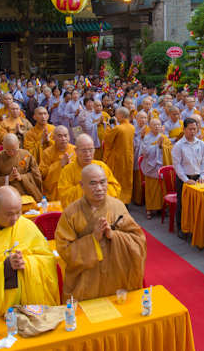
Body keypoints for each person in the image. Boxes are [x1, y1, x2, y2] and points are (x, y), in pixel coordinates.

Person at [0, 186, 59, 322]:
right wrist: (5, 267)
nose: (15, 218)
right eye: (9, 214)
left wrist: (26, 262)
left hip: (29, 305)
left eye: (18, 212)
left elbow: (47, 258)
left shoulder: (27, 226)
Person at [55, 164, 146, 302]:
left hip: (116, 275)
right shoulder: (70, 212)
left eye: (103, 182)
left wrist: (113, 235)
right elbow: (64, 249)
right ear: (82, 185)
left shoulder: (118, 206)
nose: (99, 188)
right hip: (85, 281)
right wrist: (93, 239)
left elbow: (138, 240)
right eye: (93, 184)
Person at [58, 135, 121, 208]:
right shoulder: (67, 171)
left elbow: (115, 188)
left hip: (102, 210)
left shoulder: (101, 166)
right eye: (84, 151)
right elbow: (65, 197)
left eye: (91, 150)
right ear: (76, 151)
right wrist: (87, 186)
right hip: (79, 212)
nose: (88, 154)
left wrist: (97, 189)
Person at [172, 118, 204, 239]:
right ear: (184, 129)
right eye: (190, 129)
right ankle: (181, 227)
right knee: (182, 203)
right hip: (184, 178)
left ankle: (194, 226)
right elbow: (177, 165)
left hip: (198, 178)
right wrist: (186, 180)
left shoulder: (202, 144)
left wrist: (202, 176)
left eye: (195, 129)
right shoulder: (178, 146)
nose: (193, 131)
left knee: (197, 204)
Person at [0, 133, 43, 202]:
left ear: (19, 144)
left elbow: (36, 174)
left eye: (14, 149)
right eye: (7, 150)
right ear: (3, 145)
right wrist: (8, 178)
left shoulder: (26, 155)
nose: (11, 153)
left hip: (26, 194)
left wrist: (22, 177)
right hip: (5, 196)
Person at [103, 107, 135, 205]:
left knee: (118, 179)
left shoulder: (118, 128)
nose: (115, 116)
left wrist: (108, 126)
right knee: (127, 179)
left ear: (121, 116)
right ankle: (126, 200)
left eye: (116, 114)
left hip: (119, 158)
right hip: (128, 158)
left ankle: (119, 200)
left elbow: (107, 138)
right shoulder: (131, 127)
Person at [142, 118, 173, 219]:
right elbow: (146, 153)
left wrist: (162, 146)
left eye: (158, 124)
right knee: (151, 189)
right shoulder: (147, 138)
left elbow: (170, 148)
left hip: (162, 166)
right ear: (150, 127)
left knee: (161, 188)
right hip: (151, 167)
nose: (157, 126)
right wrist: (157, 146)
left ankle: (160, 208)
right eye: (154, 124)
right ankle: (149, 209)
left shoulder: (164, 137)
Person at [40, 126, 76, 201]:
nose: (63, 139)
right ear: (53, 138)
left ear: (69, 137)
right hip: (53, 192)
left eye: (65, 136)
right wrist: (59, 164)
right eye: (60, 136)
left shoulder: (75, 150)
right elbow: (42, 173)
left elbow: (82, 170)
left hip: (72, 192)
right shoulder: (47, 152)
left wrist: (70, 165)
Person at [131, 111, 148, 205]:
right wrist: (140, 137)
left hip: (146, 157)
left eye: (145, 118)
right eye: (141, 117)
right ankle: (137, 199)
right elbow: (132, 144)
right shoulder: (133, 129)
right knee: (138, 178)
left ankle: (146, 199)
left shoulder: (148, 129)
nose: (143, 120)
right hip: (137, 155)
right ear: (136, 119)